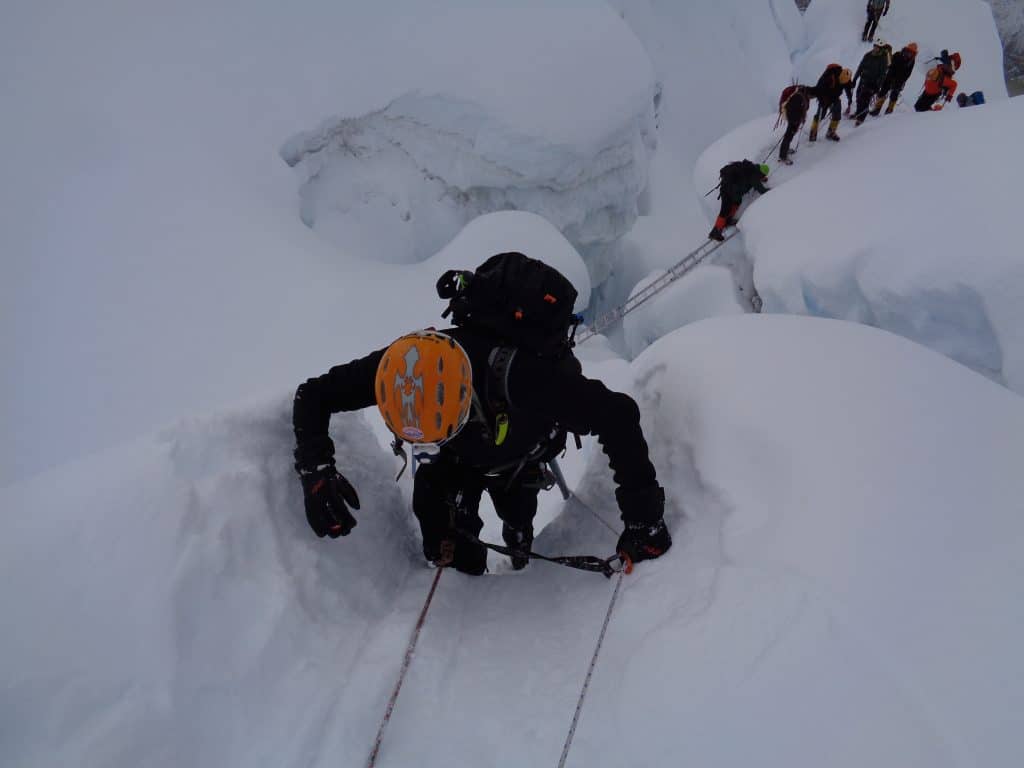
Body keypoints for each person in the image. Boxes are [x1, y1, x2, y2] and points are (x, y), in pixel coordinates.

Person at [291, 252, 672, 575]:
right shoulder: (404, 363)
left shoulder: (522, 378)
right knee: (443, 531)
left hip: (519, 456)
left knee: (517, 512)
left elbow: (617, 415)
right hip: (458, 457)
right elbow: (314, 395)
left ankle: (518, 542)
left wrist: (644, 519)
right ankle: (465, 570)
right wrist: (316, 471)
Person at [708, 160, 770, 241]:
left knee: (737, 202)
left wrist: (762, 178)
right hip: (728, 191)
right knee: (725, 210)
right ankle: (715, 232)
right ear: (761, 173)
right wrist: (770, 191)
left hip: (728, 189)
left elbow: (754, 179)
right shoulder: (753, 175)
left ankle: (728, 220)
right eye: (763, 175)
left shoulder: (751, 169)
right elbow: (760, 189)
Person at [809, 64, 853, 142]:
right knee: (820, 115)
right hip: (824, 97)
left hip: (835, 97)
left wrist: (850, 99)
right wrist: (822, 100)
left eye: (844, 82)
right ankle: (813, 132)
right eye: (842, 82)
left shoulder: (846, 78)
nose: (843, 83)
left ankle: (831, 132)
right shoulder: (829, 77)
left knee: (837, 115)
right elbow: (819, 89)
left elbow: (848, 89)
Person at [851, 41, 892, 124]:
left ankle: (860, 119)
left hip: (872, 83)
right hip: (863, 80)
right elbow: (861, 66)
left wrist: (877, 86)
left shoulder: (883, 59)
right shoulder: (868, 55)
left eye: (877, 47)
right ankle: (858, 112)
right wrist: (855, 78)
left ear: (881, 48)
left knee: (865, 100)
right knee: (858, 97)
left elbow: (882, 74)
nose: (875, 48)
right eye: (874, 46)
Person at [871, 41, 918, 115]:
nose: (910, 54)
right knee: (882, 92)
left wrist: (900, 81)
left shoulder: (911, 61)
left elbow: (908, 74)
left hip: (899, 81)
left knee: (894, 95)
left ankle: (890, 109)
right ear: (906, 49)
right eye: (909, 51)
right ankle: (877, 108)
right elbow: (889, 63)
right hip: (889, 77)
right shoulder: (897, 54)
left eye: (912, 53)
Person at [777, 84, 814, 165]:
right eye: (811, 97)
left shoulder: (801, 94)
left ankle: (785, 150)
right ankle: (783, 156)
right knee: (788, 136)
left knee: (789, 135)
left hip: (793, 118)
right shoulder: (799, 97)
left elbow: (800, 109)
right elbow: (794, 109)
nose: (811, 98)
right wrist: (796, 121)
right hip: (793, 119)